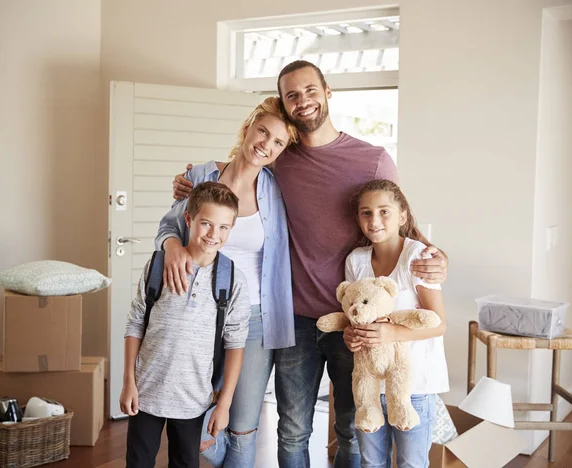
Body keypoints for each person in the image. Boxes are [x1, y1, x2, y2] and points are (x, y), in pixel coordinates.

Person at [172, 61, 448, 468]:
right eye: (292, 95)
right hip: (294, 317)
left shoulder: (372, 160)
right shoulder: (283, 157)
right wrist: (193, 181)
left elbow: (397, 217)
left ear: (327, 91)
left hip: (354, 321)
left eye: (309, 90)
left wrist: (437, 257)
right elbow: (242, 168)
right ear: (284, 102)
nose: (303, 101)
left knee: (354, 429)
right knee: (293, 429)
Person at [155, 97, 299, 467]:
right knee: (192, 418)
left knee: (242, 425)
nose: (266, 144)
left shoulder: (277, 191)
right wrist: (171, 246)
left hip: (253, 319)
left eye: (278, 142)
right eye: (263, 131)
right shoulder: (202, 175)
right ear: (248, 128)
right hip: (198, 313)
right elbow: (171, 225)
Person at [121, 182, 251, 468]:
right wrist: (128, 382)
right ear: (189, 219)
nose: (214, 235)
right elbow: (135, 325)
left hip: (193, 399)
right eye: (206, 223)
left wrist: (224, 404)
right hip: (146, 392)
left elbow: (235, 344)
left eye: (223, 227)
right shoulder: (157, 267)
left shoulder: (233, 281)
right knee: (138, 462)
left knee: (185, 462)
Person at [343, 179, 448, 468]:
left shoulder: (418, 257)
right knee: (371, 463)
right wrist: (350, 336)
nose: (374, 220)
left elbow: (438, 325)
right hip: (370, 388)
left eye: (384, 211)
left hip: (414, 386)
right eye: (366, 212)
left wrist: (391, 332)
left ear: (402, 216)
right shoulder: (356, 261)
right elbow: (354, 315)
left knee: (411, 464)